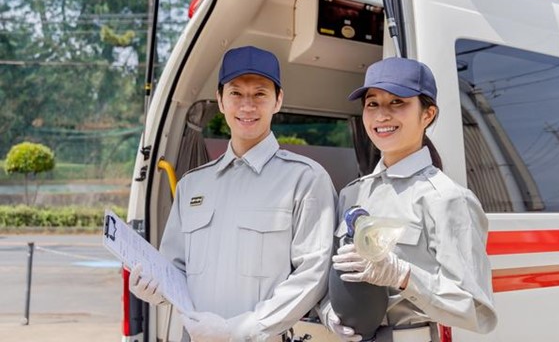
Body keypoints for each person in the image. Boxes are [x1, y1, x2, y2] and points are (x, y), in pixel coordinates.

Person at [129, 45, 337, 342]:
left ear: (278, 100)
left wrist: (236, 331)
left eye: (260, 94)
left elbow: (312, 277)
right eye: (236, 93)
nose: (247, 106)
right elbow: (174, 268)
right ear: (221, 100)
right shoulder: (192, 185)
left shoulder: (305, 179)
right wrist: (154, 288)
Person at [321, 57, 497, 342]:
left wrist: (403, 276)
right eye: (372, 104)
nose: (381, 116)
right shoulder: (351, 193)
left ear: (427, 115)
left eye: (397, 102)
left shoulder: (446, 199)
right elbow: (332, 273)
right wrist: (329, 311)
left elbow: (477, 311)